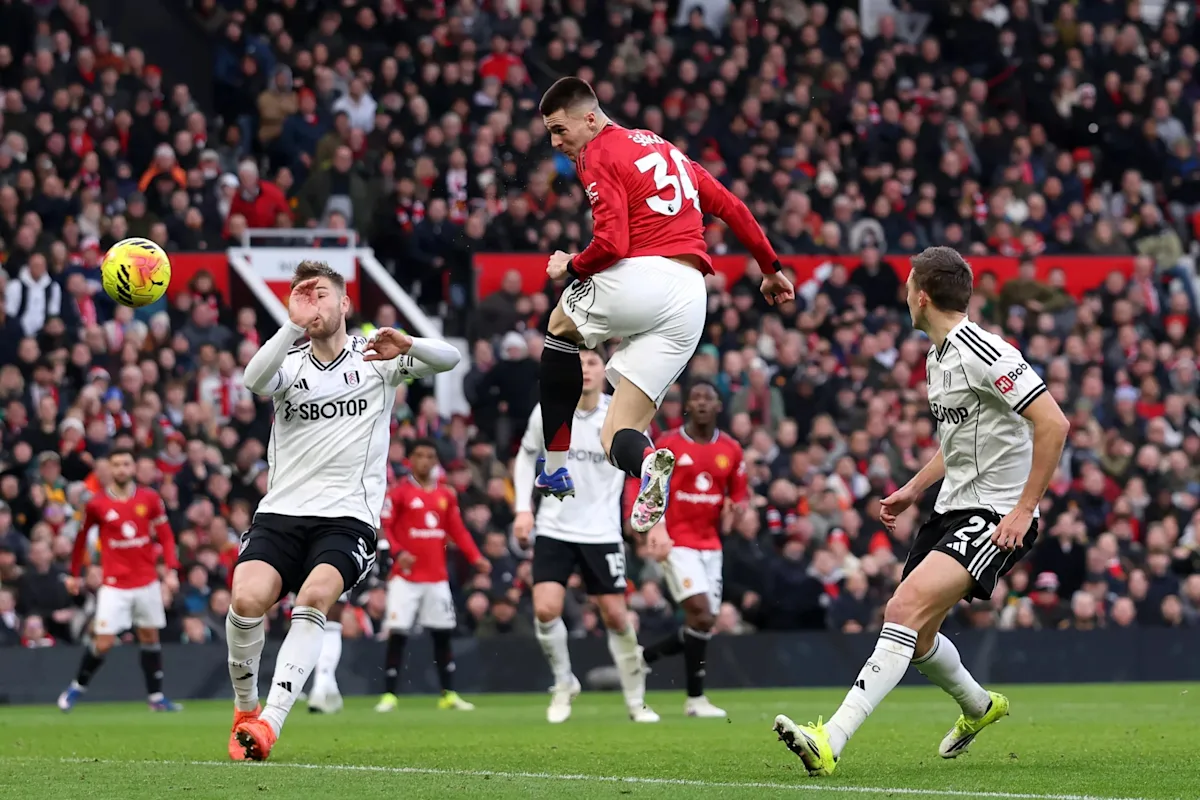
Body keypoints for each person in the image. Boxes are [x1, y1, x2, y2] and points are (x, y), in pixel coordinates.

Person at [773, 247, 1070, 775]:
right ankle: (979, 706)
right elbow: (959, 442)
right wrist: (912, 489)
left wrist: (1025, 510)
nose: (904, 294)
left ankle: (830, 739)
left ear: (923, 296)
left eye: (908, 285)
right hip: (950, 509)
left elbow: (1053, 423)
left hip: (996, 515)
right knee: (919, 636)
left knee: (901, 609)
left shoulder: (986, 351)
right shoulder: (938, 356)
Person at [533, 77, 793, 536]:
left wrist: (570, 265)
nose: (557, 142)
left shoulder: (597, 152)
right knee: (617, 436)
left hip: (645, 277)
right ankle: (649, 462)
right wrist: (770, 267)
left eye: (559, 129)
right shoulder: (669, 151)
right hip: (692, 298)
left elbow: (611, 244)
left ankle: (554, 464)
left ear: (590, 118)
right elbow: (732, 206)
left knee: (559, 326)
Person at [227, 261, 461, 761]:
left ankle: (270, 722)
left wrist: (411, 346)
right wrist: (291, 324)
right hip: (282, 512)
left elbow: (452, 358)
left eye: (322, 294)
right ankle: (245, 709)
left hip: (348, 517)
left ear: (345, 304)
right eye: (303, 295)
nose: (313, 303)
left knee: (313, 596)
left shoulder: (378, 356)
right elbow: (253, 381)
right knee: (246, 602)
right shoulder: (289, 362)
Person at [513, 349, 658, 724]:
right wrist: (523, 509)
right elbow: (527, 456)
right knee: (545, 608)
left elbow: (649, 473)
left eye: (592, 363)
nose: (585, 370)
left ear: (604, 371)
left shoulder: (621, 416)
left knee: (616, 616)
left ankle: (636, 700)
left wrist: (651, 522)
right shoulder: (550, 410)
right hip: (554, 526)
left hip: (602, 530)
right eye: (578, 364)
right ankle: (564, 683)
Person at [642, 381, 747, 718]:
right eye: (696, 397)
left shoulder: (731, 449)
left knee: (703, 622)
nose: (702, 403)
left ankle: (643, 659)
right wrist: (651, 531)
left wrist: (735, 508)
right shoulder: (668, 444)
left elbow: (739, 493)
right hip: (676, 542)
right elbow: (649, 490)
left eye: (708, 398)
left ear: (718, 406)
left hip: (711, 544)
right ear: (687, 405)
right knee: (702, 613)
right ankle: (695, 700)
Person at [58, 448, 182, 712]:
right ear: (110, 470)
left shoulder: (149, 498)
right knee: (103, 641)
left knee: (149, 636)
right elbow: (81, 541)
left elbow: (167, 536)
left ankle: (156, 698)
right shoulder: (97, 504)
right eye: (116, 465)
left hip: (146, 580)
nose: (121, 469)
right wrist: (74, 574)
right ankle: (76, 687)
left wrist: (170, 570)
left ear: (133, 468)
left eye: (126, 464)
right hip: (114, 584)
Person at [374, 438, 490, 713]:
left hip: (437, 577)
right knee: (398, 633)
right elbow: (386, 527)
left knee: (442, 634)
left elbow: (458, 529)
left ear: (436, 461)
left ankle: (448, 693)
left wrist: (477, 558)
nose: (425, 461)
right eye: (420, 455)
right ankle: (390, 695)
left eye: (430, 456)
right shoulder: (399, 493)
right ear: (410, 460)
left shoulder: (446, 494)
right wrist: (398, 552)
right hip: (405, 577)